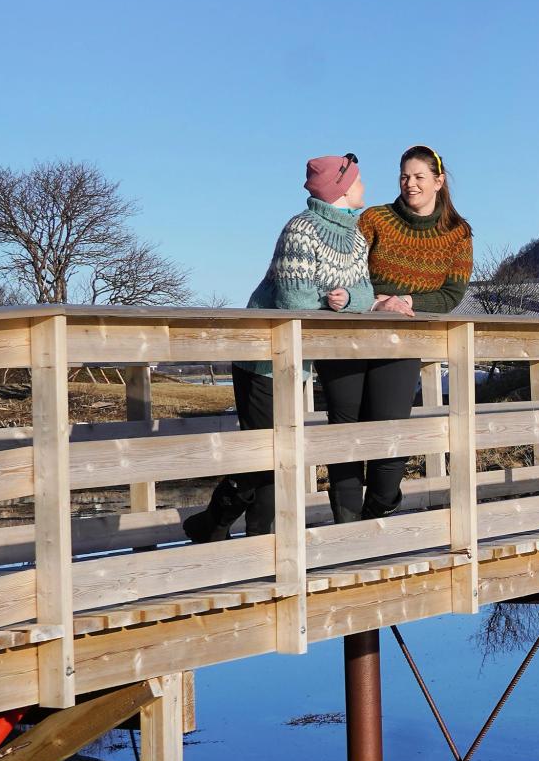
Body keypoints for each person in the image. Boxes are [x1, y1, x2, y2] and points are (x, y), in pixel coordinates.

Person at [183, 154, 372, 542]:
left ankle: (215, 526)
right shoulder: (300, 230)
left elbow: (366, 292)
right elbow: (294, 301)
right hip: (262, 358)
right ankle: (242, 537)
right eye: (357, 179)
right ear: (341, 188)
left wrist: (349, 297)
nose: (363, 186)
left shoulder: (356, 238)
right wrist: (331, 303)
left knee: (273, 452)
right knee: (267, 455)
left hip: (297, 361)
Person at [319, 144, 473, 522]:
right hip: (349, 334)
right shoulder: (375, 219)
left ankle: (379, 511)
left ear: (438, 181)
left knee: (390, 437)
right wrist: (375, 301)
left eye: (419, 177)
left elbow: (451, 294)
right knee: (345, 437)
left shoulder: (457, 233)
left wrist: (404, 299)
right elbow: (341, 271)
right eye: (405, 176)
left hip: (401, 341)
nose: (410, 184)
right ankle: (346, 533)